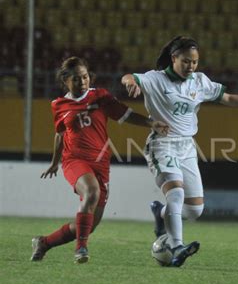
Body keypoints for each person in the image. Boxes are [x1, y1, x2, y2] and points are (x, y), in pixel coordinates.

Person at [121, 36, 238, 267]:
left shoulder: (199, 81)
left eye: (195, 62)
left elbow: (227, 98)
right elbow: (129, 77)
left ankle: (162, 213)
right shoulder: (156, 79)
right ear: (174, 58)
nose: (191, 67)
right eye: (186, 61)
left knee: (195, 209)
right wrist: (131, 83)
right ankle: (176, 247)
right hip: (162, 144)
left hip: (187, 147)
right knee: (176, 193)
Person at [31, 57, 167, 264]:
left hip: (101, 163)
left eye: (85, 77)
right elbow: (60, 134)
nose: (82, 82)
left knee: (89, 224)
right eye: (76, 79)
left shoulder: (100, 96)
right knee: (91, 192)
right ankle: (81, 249)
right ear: (66, 81)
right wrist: (55, 162)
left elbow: (124, 114)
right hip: (74, 160)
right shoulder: (58, 105)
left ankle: (44, 243)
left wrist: (151, 123)